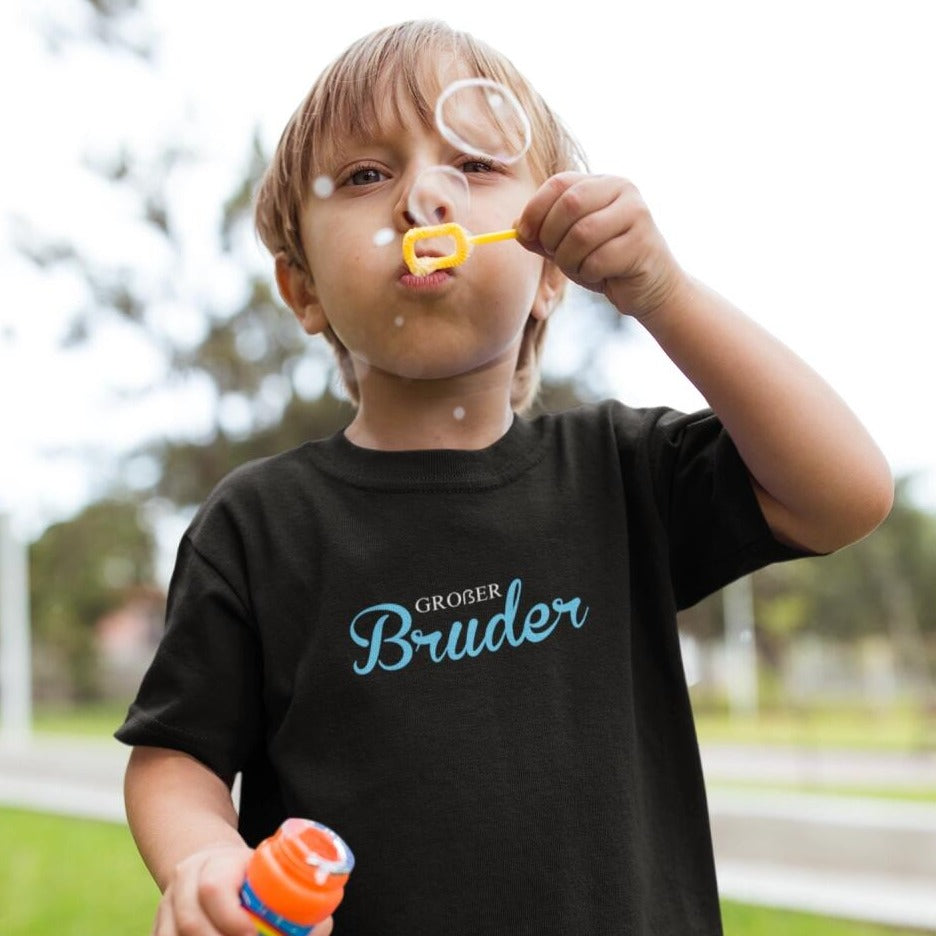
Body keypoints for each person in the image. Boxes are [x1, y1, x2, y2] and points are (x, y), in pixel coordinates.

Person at [116, 19, 894, 936]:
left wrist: (663, 293)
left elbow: (845, 494)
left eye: (477, 166)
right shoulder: (260, 524)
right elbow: (175, 754)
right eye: (367, 176)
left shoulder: (621, 474)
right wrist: (206, 858)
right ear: (304, 290)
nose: (424, 198)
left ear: (553, 267)